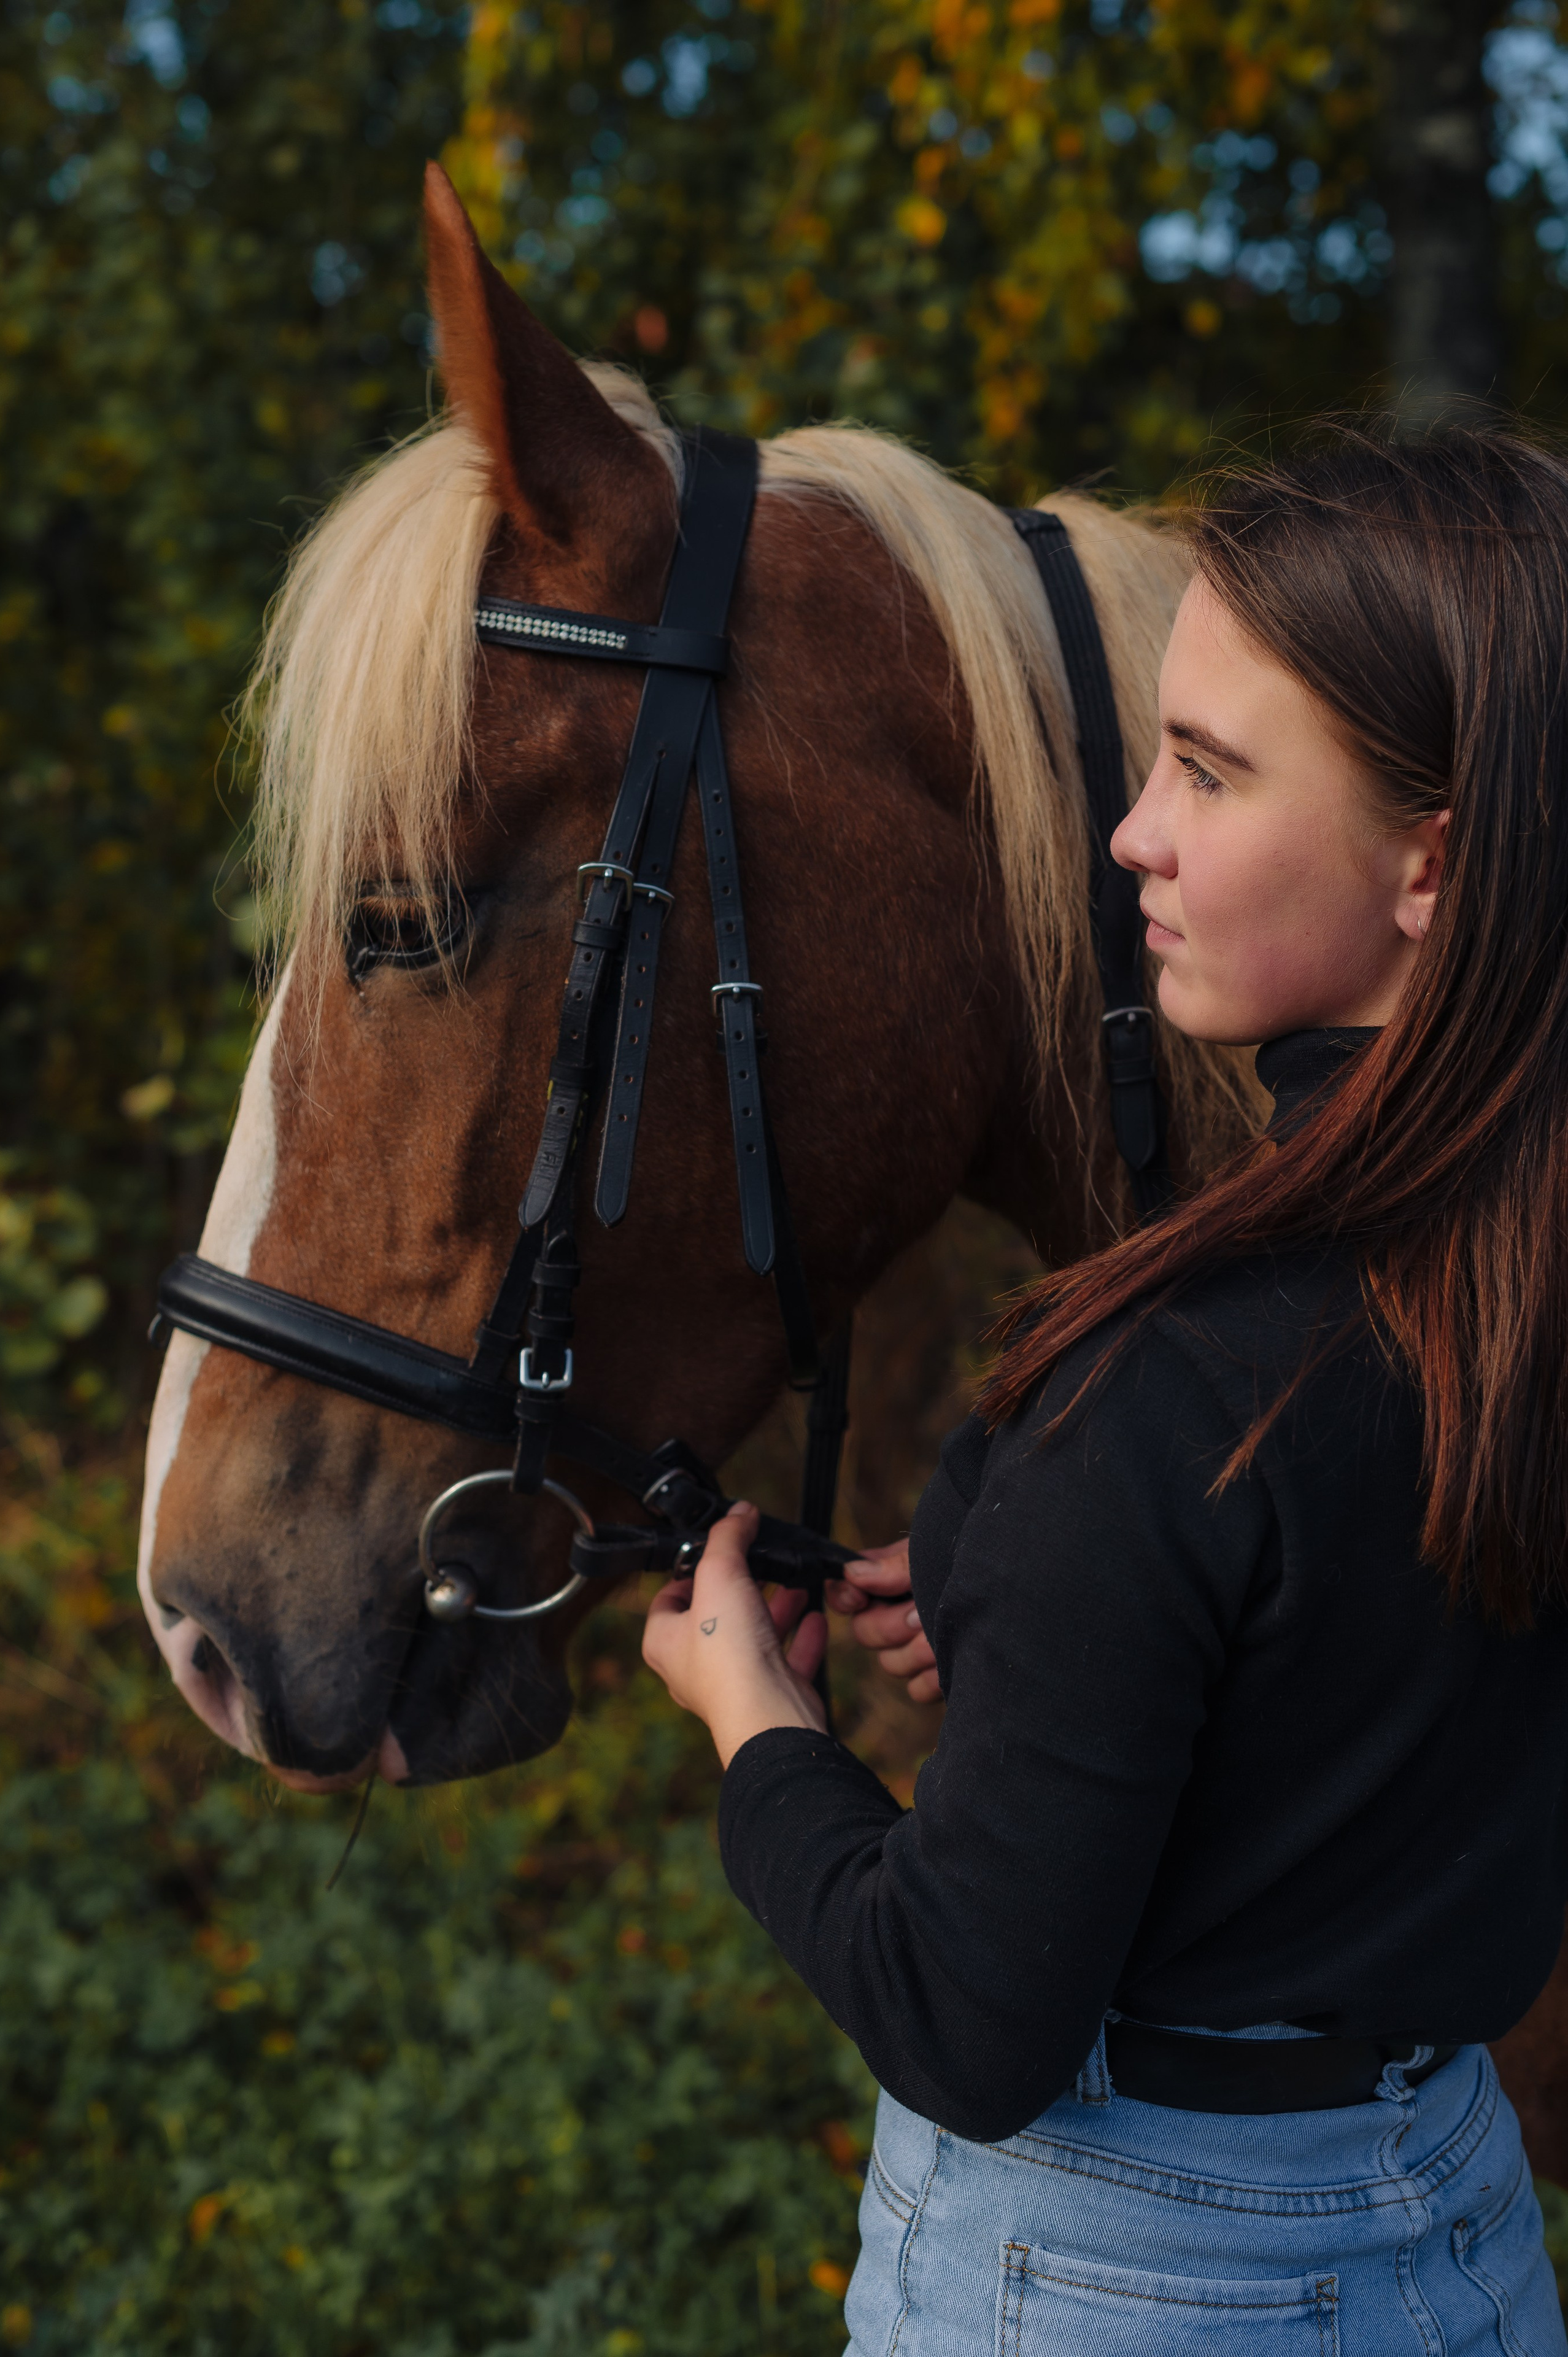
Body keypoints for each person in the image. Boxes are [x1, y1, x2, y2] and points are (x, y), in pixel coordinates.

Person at [641, 422, 1568, 2355]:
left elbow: (964, 2019)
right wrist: (1054, 1614)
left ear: (1434, 862)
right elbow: (1376, 1667)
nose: (1132, 831)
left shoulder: (1178, 1389)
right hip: (1459, 2227)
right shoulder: (1497, 1283)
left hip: (1125, 2281)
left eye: (1212, 774)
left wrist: (751, 1719)